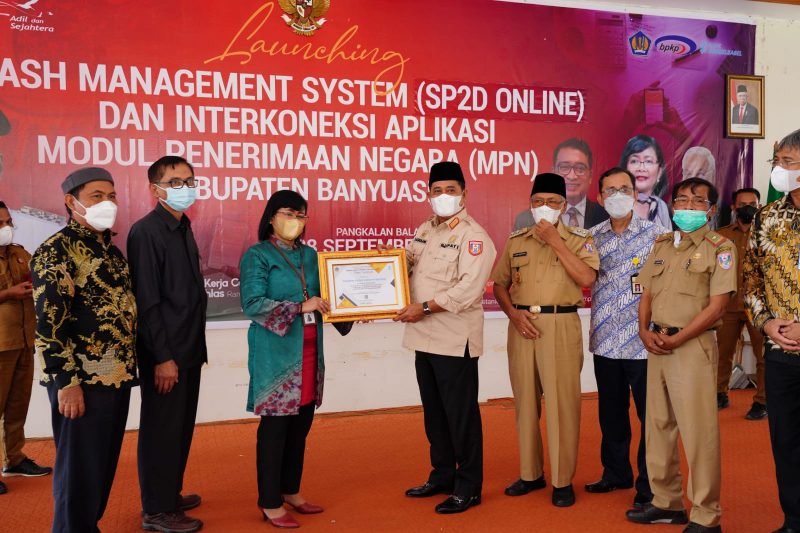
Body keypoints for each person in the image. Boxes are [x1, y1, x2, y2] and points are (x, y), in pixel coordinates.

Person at [31, 167, 137, 532]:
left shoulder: (112, 253)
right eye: (97, 196)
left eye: (112, 195)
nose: (108, 202)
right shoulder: (55, 251)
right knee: (78, 472)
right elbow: (49, 325)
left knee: (100, 468)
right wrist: (67, 383)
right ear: (71, 201)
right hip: (80, 381)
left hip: (115, 376)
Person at [626, 177, 735, 533]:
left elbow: (718, 306)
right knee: (658, 426)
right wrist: (643, 330)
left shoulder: (720, 248)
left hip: (692, 347)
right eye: (682, 200)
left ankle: (706, 514)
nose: (687, 207)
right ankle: (666, 502)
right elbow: (646, 293)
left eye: (697, 201)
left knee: (698, 433)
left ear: (711, 210)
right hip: (657, 344)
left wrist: (678, 339)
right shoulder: (662, 244)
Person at [240, 190, 350, 528]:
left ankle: (290, 490)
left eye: (301, 215)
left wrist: (354, 310)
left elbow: (328, 298)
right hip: (276, 356)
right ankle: (269, 502)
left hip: (310, 353)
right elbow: (252, 303)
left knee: (300, 426)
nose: (296, 220)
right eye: (289, 213)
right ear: (272, 217)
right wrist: (301, 306)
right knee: (275, 430)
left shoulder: (311, 255)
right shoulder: (258, 255)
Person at [493, 172, 599, 508]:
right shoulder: (517, 240)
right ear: (530, 204)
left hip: (560, 324)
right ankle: (531, 474)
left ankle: (562, 480)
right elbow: (499, 284)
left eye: (552, 202)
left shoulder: (580, 238)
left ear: (564, 206)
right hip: (521, 326)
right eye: (538, 201)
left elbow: (587, 278)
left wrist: (556, 241)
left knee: (561, 406)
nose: (544, 207)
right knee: (525, 403)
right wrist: (513, 314)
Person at [399, 161, 496, 514]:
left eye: (450, 190)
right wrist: (386, 264)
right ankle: (442, 475)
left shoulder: (474, 237)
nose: (443, 196)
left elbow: (467, 291)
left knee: (461, 417)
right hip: (422, 337)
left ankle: (468, 486)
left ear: (464, 194)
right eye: (437, 191)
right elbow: (407, 265)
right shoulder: (425, 229)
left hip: (454, 340)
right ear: (428, 194)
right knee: (435, 415)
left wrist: (423, 308)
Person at [127, 156, 206, 533]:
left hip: (188, 349)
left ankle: (169, 493)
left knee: (180, 428)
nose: (184, 188)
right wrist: (162, 358)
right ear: (154, 189)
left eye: (189, 180)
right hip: (166, 354)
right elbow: (148, 301)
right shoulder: (146, 232)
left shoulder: (182, 226)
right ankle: (157, 510)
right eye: (175, 182)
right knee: (161, 430)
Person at [586, 168, 661, 509]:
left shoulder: (657, 236)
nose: (618, 195)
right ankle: (616, 472)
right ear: (600, 197)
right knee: (611, 413)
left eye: (624, 189)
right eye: (610, 190)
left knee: (650, 417)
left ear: (635, 193)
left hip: (644, 342)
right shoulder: (591, 237)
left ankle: (650, 484)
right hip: (605, 341)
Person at [744, 128, 800, 533]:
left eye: (788, 162)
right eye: (777, 161)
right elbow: (751, 279)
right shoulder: (767, 217)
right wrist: (765, 322)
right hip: (781, 353)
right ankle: (794, 520)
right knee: (786, 442)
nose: (779, 169)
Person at [0, 201, 52, 496]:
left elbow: (40, 277)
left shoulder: (20, 253)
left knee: (17, 405)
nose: (7, 228)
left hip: (24, 340)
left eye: (8, 222)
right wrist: (8, 293)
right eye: (0, 223)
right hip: (1, 344)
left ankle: (14, 459)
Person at [715, 187, 766, 419]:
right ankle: (719, 393)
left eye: (752, 204)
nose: (748, 208)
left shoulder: (769, 234)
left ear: (760, 206)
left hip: (760, 308)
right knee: (722, 353)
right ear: (733, 208)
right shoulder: (721, 236)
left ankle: (762, 401)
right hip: (728, 305)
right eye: (743, 204)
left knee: (763, 357)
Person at [514, 138, 609, 231]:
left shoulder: (606, 215)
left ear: (590, 176)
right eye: (564, 167)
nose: (572, 176)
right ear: (553, 172)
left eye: (580, 168)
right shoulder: (526, 219)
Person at [620, 135, 672, 229]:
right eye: (634, 161)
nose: (641, 168)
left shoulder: (661, 207)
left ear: (659, 172)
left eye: (648, 161)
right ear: (625, 169)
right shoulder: (613, 203)